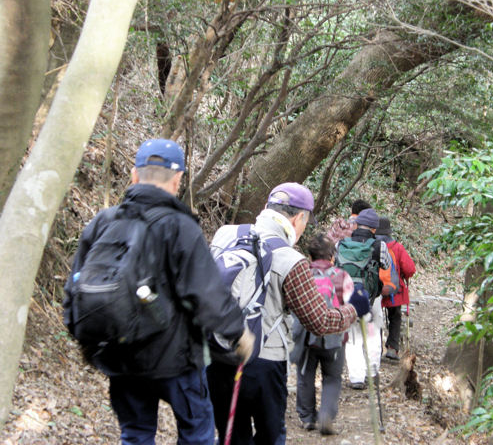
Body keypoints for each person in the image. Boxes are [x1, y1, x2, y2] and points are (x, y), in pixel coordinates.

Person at [63, 139, 254, 445]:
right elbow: (206, 292)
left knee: (136, 434)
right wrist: (237, 332)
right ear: (178, 181)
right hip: (174, 359)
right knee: (198, 435)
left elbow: (76, 284)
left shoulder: (103, 222)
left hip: (120, 356)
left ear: (133, 175)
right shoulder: (181, 226)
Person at [206, 182, 371, 445]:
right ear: (298, 218)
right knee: (270, 436)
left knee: (232, 437)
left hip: (218, 355)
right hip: (263, 363)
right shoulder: (290, 260)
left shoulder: (225, 235)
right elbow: (320, 320)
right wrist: (355, 308)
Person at [292, 233, 354, 435]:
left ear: (310, 257)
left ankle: (307, 418)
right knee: (332, 378)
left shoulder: (303, 276)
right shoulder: (342, 275)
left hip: (306, 335)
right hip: (335, 336)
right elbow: (350, 303)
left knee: (305, 375)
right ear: (332, 256)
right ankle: (326, 415)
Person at [338, 208, 391, 389]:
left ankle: (356, 378)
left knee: (353, 336)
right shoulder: (379, 245)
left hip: (348, 295)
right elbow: (387, 263)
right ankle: (371, 373)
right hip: (371, 296)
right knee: (373, 333)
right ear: (374, 229)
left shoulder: (343, 243)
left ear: (357, 224)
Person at [377, 217, 416, 360]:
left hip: (376, 289)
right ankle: (392, 348)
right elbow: (410, 269)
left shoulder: (372, 245)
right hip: (395, 290)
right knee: (395, 317)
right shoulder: (397, 247)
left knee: (376, 317)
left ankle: (376, 347)